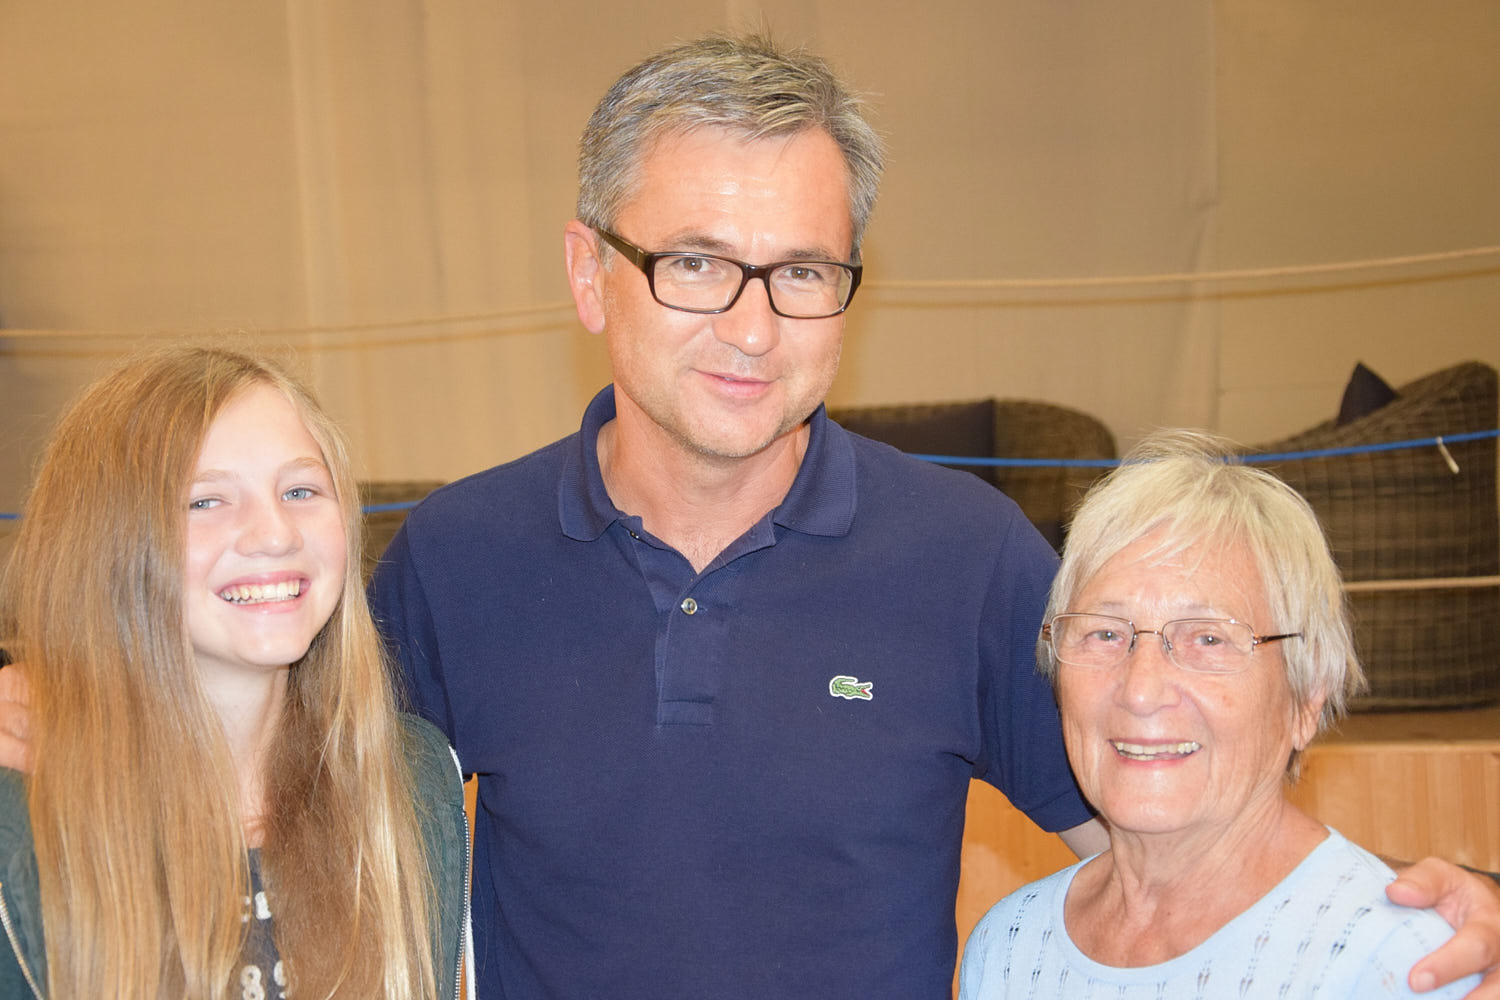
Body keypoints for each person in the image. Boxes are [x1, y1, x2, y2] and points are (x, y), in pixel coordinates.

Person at [366, 32, 1500, 1000]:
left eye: (803, 272)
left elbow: (1180, 849)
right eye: (698, 263)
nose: (753, 329)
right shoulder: (457, 560)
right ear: (589, 272)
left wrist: (1426, 911)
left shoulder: (965, 555)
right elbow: (319, 850)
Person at [0, 347, 469, 999]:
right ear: (106, 542)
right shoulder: (21, 820)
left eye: (300, 490)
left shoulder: (410, 784)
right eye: (206, 500)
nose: (275, 533)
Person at [958, 431, 1482, 998]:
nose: (1141, 690)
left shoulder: (1403, 961)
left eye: (1208, 638)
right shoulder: (1010, 947)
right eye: (1105, 634)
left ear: (1307, 698)